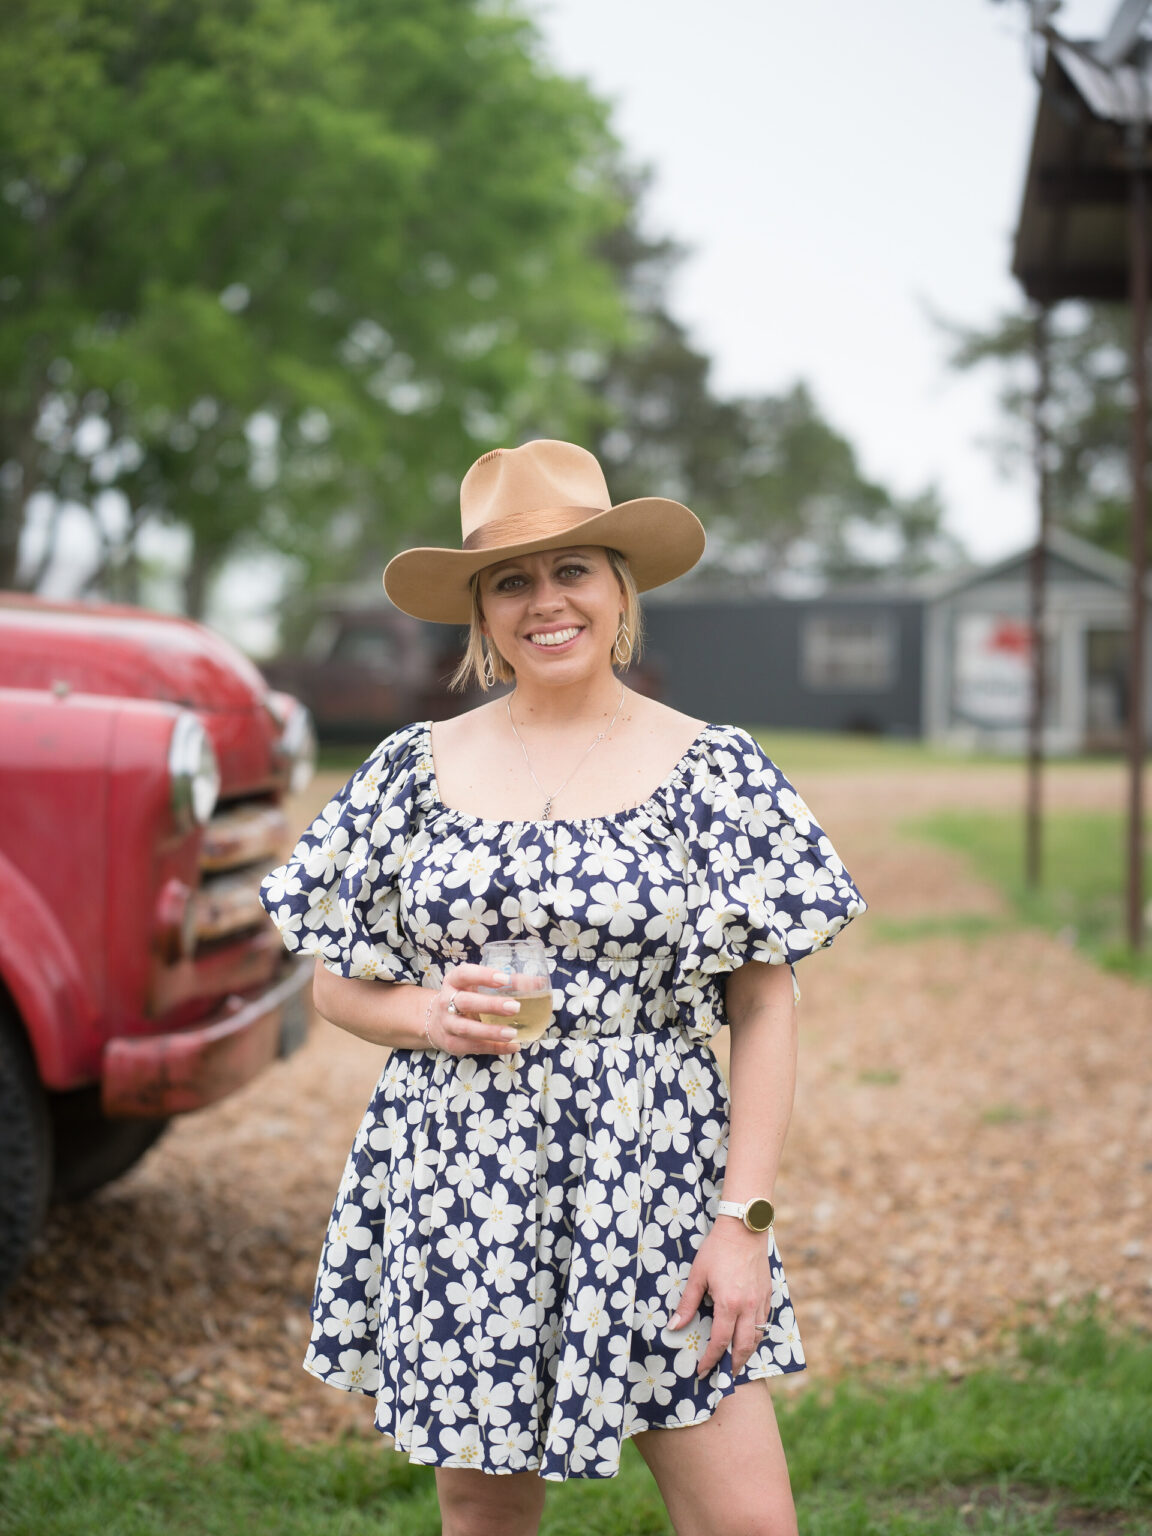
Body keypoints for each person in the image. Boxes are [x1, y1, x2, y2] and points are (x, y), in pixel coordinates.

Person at [259, 440, 865, 1536]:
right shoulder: (410, 770)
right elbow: (335, 988)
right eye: (511, 581)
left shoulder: (716, 770)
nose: (546, 602)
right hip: (462, 1175)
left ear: (620, 588)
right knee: (483, 1513)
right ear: (482, 612)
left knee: (745, 1520)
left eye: (573, 570)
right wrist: (425, 1013)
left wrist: (743, 1221)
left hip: (657, 1171)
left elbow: (765, 1005)